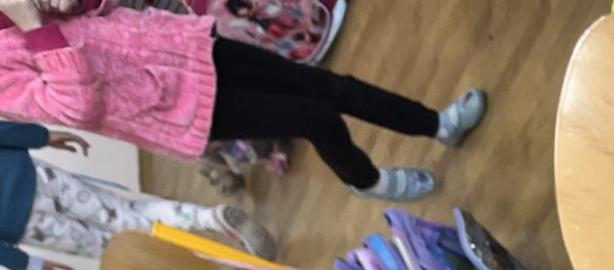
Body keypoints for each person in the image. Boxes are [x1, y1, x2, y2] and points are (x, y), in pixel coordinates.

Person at [0, 1, 484, 201]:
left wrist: (75, 3)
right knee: (318, 118)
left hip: (188, 49)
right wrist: (36, 27)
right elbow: (75, 106)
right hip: (175, 108)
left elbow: (102, 14)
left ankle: (437, 125)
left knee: (330, 87)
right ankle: (367, 180)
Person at [0, 119, 270, 270]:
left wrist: (30, 265)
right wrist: (42, 136)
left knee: (120, 248)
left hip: (23, 226)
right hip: (33, 177)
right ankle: (209, 218)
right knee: (126, 212)